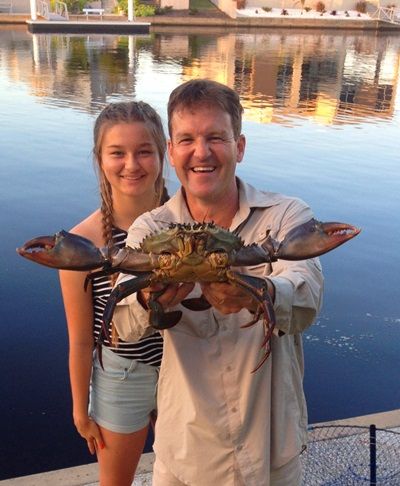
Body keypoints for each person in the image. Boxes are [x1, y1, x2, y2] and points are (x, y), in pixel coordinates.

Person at [112, 80, 324, 485]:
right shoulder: (151, 230)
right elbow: (121, 323)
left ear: (239, 146)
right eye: (187, 139)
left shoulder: (285, 217)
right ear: (171, 151)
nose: (201, 152)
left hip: (271, 450)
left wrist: (256, 293)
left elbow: (308, 298)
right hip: (186, 453)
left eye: (216, 137)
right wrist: (146, 297)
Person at [59, 101, 167, 486]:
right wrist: (80, 410)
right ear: (99, 159)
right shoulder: (82, 243)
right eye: (117, 153)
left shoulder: (191, 222)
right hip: (123, 376)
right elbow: (80, 337)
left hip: (189, 370)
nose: (131, 164)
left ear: (163, 153)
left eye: (143, 151)